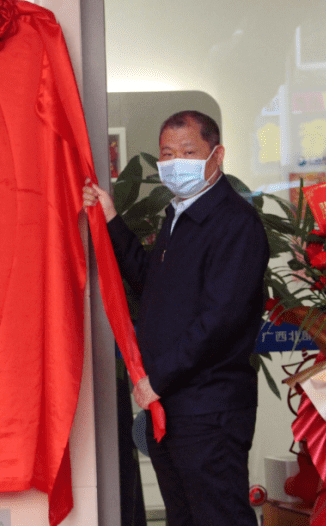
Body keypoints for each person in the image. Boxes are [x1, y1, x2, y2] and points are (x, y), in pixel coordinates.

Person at [84, 110, 269, 526]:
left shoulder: (234, 223)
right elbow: (152, 284)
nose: (175, 163)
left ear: (217, 155)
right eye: (167, 154)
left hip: (209, 409)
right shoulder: (180, 214)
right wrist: (111, 219)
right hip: (172, 407)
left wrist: (158, 380)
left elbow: (220, 321)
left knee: (219, 517)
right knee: (183, 518)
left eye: (188, 152)